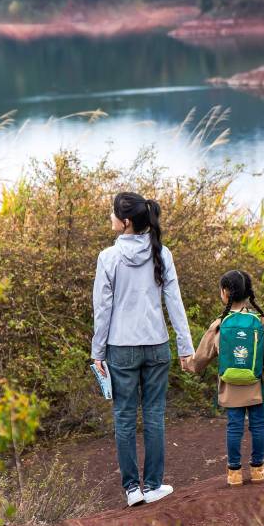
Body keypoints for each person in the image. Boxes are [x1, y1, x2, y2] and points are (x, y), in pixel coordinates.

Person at [92, 192, 194, 507]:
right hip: (157, 346)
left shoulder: (108, 257)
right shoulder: (163, 253)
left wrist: (98, 352)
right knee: (154, 415)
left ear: (125, 222)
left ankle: (132, 491)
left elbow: (102, 309)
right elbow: (174, 303)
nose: (110, 218)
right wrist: (185, 346)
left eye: (112, 214)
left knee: (123, 416)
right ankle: (152, 486)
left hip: (120, 348)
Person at [191, 270, 264, 485]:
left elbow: (202, 357)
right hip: (256, 384)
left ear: (225, 292)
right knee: (258, 425)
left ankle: (234, 473)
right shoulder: (260, 321)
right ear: (248, 293)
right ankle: (257, 470)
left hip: (231, 386)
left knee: (234, 427)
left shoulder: (220, 323)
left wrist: (191, 366)